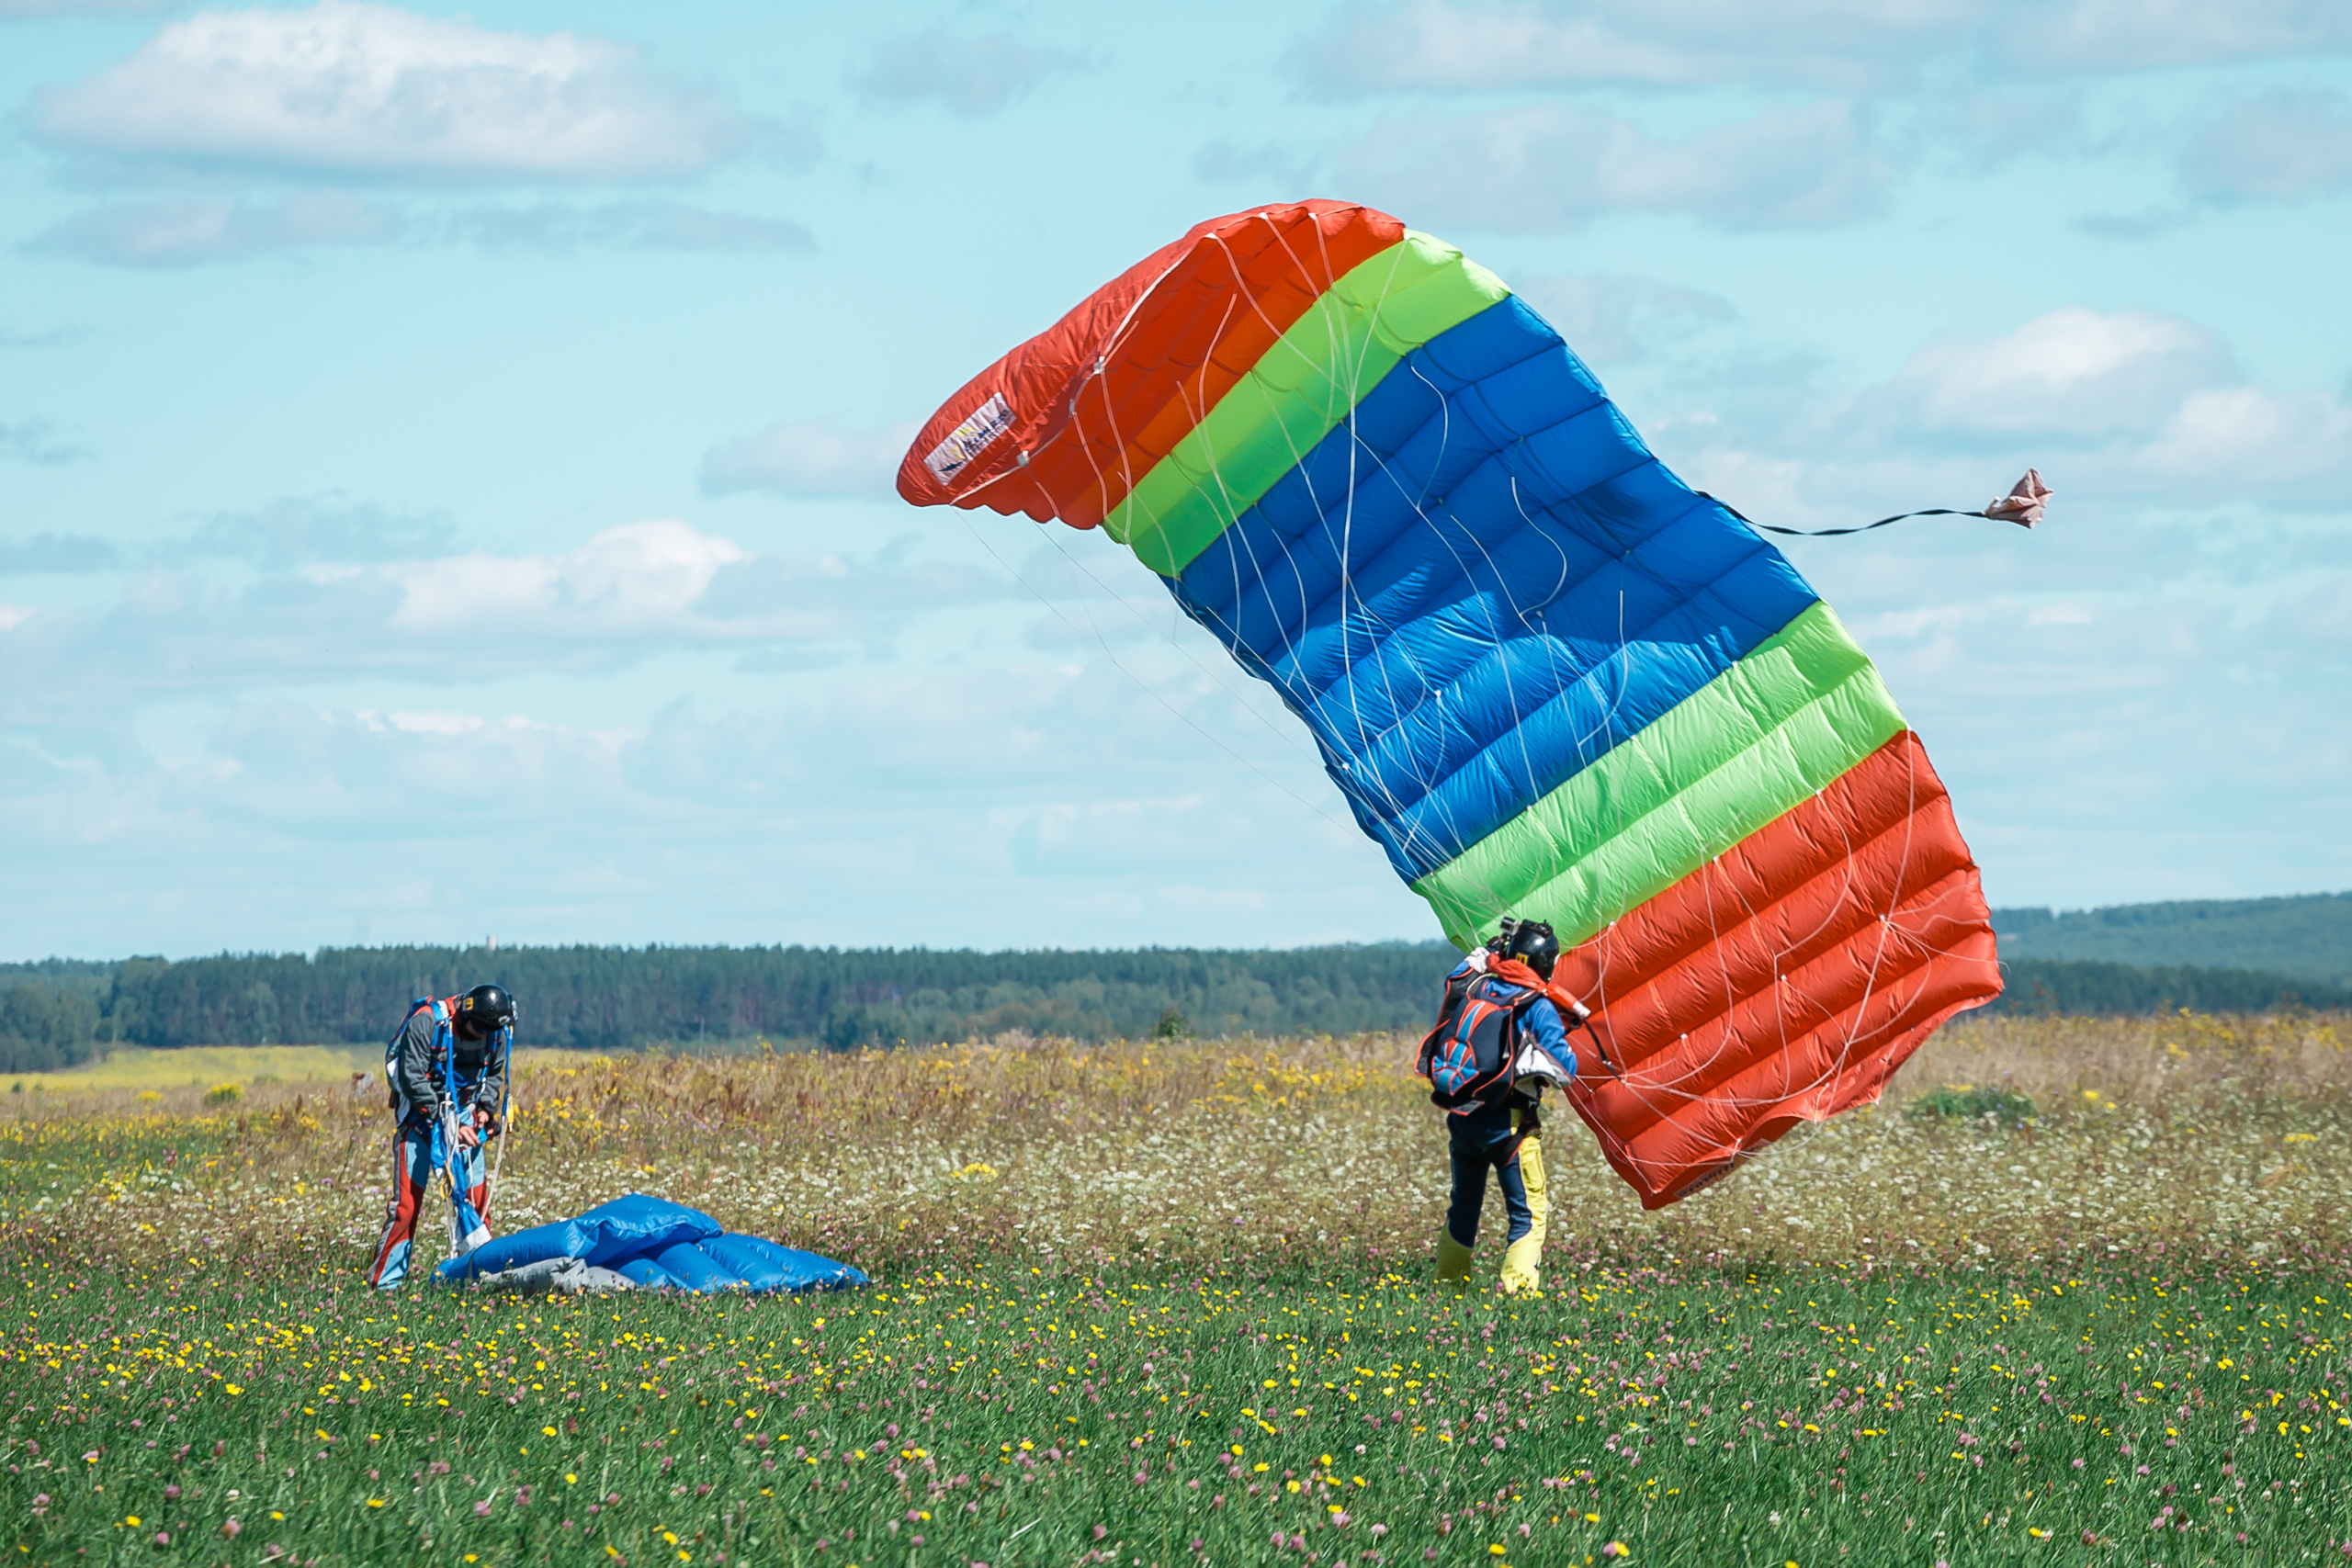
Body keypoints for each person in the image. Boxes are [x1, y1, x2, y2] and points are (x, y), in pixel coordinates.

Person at [1418, 919, 1588, 1297]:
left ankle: (1447, 1287)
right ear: (1546, 965)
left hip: (1464, 1118)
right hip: (1509, 1126)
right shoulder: (1537, 1005)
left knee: (1463, 1204)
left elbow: (1459, 975)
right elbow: (1565, 1071)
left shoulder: (1477, 986)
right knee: (1528, 1212)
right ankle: (1518, 1293)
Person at [364, 983, 515, 1290]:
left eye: (490, 1032)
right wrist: (447, 1124)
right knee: (406, 1207)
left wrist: (486, 1109)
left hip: (466, 1120)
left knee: (477, 1205)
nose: (485, 1036)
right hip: (420, 1121)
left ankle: (478, 1279)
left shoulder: (496, 1032)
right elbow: (411, 1077)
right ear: (465, 1015)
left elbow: (494, 1074)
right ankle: (384, 1285)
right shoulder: (427, 1023)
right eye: (479, 1030)